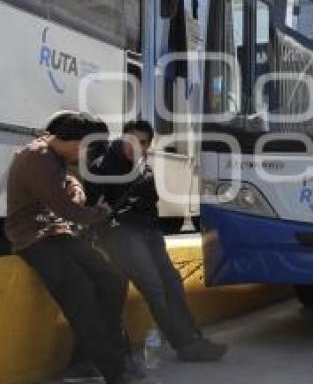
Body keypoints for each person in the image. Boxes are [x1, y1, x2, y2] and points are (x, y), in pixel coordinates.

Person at [5, 111, 160, 384]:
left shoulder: (55, 153)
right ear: (76, 142)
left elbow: (68, 186)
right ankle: (116, 370)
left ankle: (82, 363)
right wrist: (96, 213)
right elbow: (66, 209)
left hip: (58, 233)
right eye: (87, 147)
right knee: (81, 295)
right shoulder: (35, 158)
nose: (87, 154)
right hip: (34, 238)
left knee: (112, 280)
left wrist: (75, 188)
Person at [86, 119, 227, 362]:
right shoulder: (103, 166)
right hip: (121, 234)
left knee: (172, 281)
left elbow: (151, 202)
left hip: (147, 232)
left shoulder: (143, 167)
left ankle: (193, 339)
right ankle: (186, 345)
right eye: (132, 141)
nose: (136, 147)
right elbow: (95, 208)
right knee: (155, 287)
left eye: (143, 143)